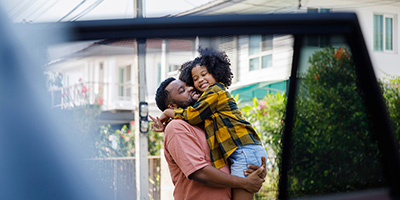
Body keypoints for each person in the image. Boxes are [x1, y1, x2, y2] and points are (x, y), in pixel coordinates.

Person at [159, 48, 268, 200]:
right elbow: (200, 172)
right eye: (183, 89)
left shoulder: (208, 122)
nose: (192, 87)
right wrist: (244, 182)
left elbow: (235, 156)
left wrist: (256, 172)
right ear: (172, 107)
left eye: (189, 84)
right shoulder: (177, 127)